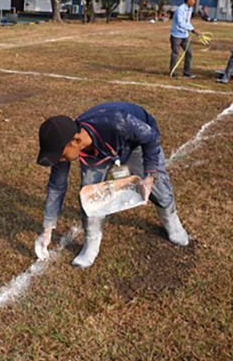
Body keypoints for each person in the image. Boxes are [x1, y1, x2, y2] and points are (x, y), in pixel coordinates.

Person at [34, 102, 189, 269]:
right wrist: (47, 229)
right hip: (98, 152)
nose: (59, 159)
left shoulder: (119, 122)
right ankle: (91, 243)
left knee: (160, 188)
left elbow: (150, 137)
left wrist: (150, 175)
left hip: (136, 142)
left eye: (60, 155)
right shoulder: (65, 141)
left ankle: (172, 223)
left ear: (76, 140)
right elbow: (56, 187)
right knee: (89, 195)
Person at [169, 0, 202, 78]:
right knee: (175, 54)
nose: (194, 2)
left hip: (184, 35)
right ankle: (173, 72)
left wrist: (193, 29)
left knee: (189, 52)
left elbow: (187, 22)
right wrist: (192, 30)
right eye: (193, 0)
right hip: (176, 35)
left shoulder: (189, 9)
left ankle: (186, 72)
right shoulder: (180, 9)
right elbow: (180, 23)